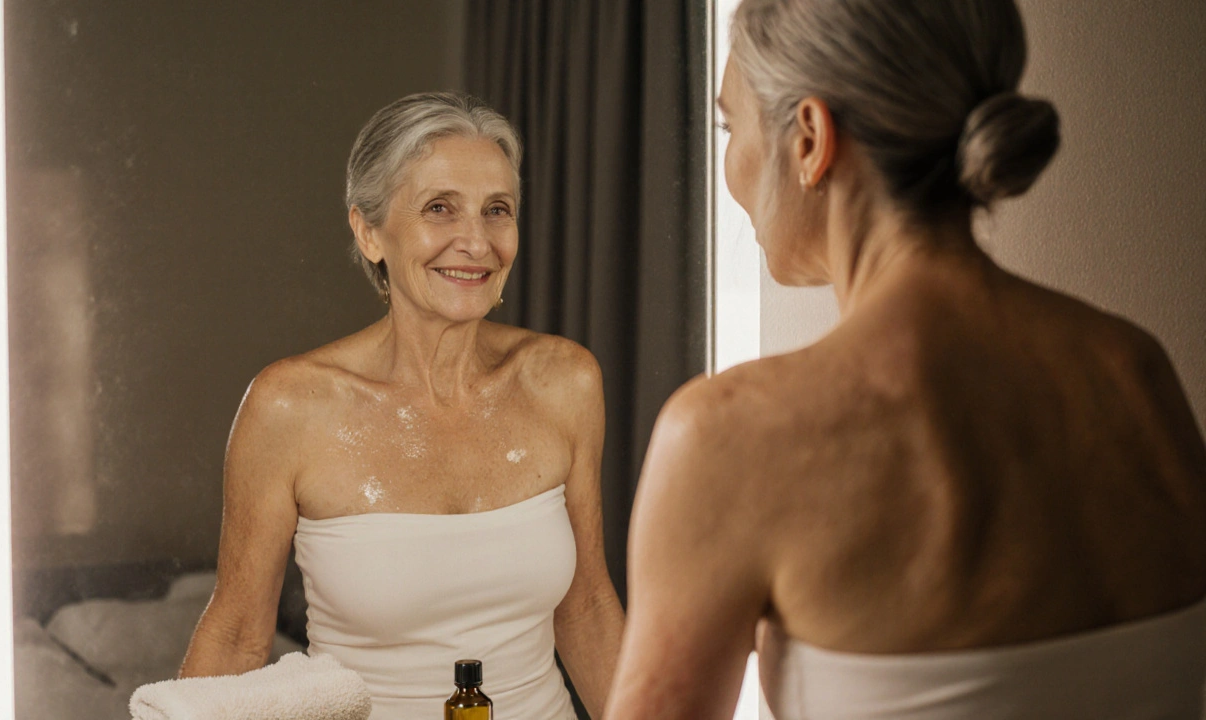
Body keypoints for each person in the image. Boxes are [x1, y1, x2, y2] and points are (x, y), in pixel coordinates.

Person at [606, 1, 1206, 718]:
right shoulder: (1134, 372)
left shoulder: (733, 438)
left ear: (809, 139)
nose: (731, 164)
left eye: (729, 126)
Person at [180, 92, 624, 720]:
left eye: (497, 210)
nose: (475, 240)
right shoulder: (291, 407)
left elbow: (586, 608)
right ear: (369, 231)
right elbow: (238, 634)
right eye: (440, 208)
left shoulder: (563, 381)